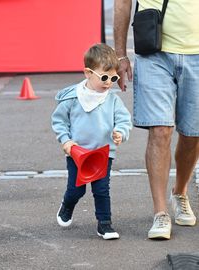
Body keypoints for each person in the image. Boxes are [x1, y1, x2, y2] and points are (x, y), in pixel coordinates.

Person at [114, 0, 199, 240]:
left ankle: (179, 193)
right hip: (154, 51)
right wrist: (120, 55)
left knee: (192, 133)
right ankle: (160, 212)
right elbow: (122, 3)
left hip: (197, 52)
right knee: (160, 130)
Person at [51, 43, 132, 240]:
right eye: (104, 77)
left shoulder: (112, 100)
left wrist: (120, 132)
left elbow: (124, 119)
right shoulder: (73, 97)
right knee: (76, 190)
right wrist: (66, 140)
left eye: (113, 78)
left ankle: (105, 224)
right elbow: (59, 120)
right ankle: (68, 204)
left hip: (103, 153)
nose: (108, 83)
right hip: (78, 153)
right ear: (88, 73)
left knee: (102, 190)